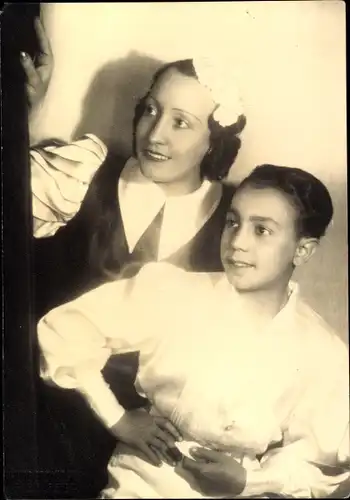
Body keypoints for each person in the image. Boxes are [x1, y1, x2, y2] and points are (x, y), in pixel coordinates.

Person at [21, 18, 246, 487]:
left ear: (214, 142)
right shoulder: (84, 173)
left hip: (148, 442)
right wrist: (23, 117)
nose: (155, 133)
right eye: (149, 110)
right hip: (38, 409)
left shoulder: (237, 221)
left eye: (181, 122)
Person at [37, 164, 350, 498]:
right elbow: (67, 328)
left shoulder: (322, 350)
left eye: (261, 230)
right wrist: (117, 418)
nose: (237, 242)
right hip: (143, 476)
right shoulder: (174, 292)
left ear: (303, 249)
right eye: (233, 222)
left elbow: (323, 466)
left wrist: (250, 482)